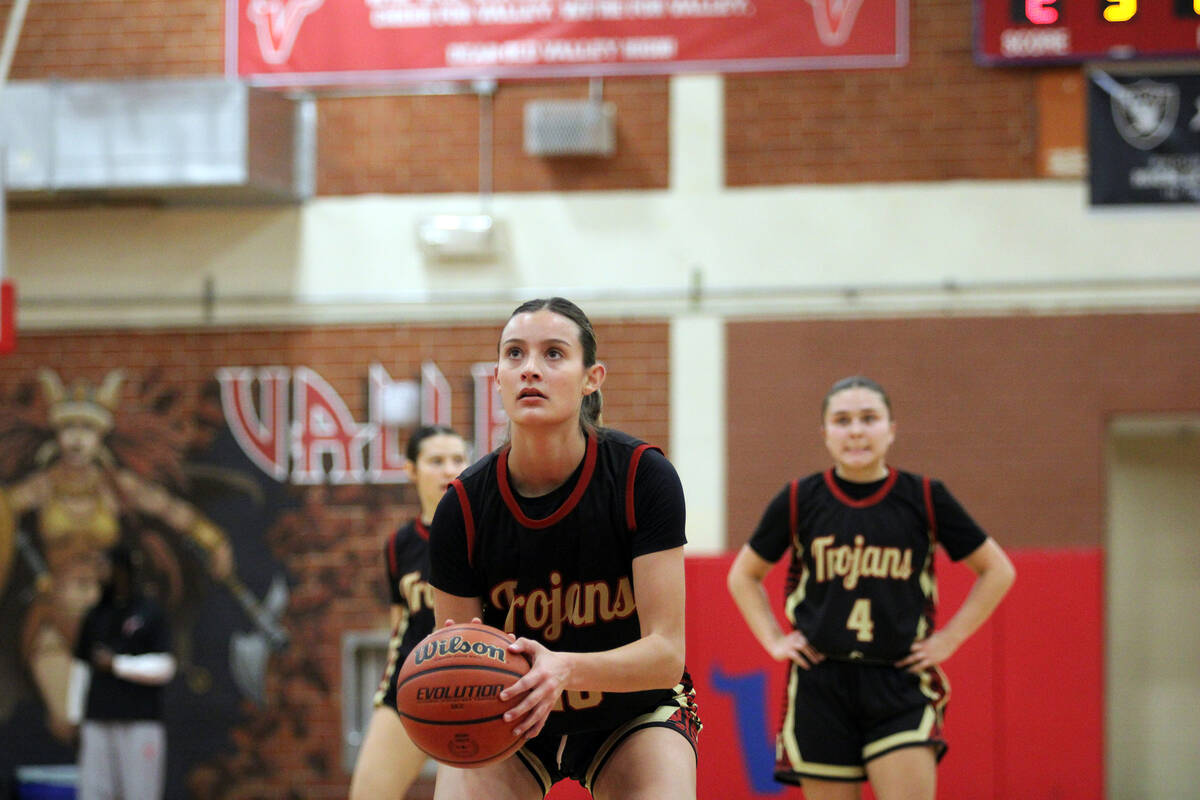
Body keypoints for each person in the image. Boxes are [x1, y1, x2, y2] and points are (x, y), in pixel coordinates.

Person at [428, 297, 701, 800]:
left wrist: (565, 667)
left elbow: (666, 654)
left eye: (553, 354)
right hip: (511, 714)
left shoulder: (643, 476)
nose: (530, 368)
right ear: (498, 378)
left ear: (591, 377)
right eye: (515, 354)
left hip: (631, 709)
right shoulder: (462, 507)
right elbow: (455, 656)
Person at [726, 375, 1016, 800]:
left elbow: (997, 570)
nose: (856, 430)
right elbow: (743, 575)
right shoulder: (798, 499)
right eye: (842, 420)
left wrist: (950, 639)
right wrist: (772, 639)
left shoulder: (924, 497)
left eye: (869, 418)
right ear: (825, 433)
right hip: (820, 683)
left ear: (891, 429)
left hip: (898, 680)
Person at [0, 369, 233, 741]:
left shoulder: (116, 487)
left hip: (110, 614)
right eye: (69, 429)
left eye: (87, 430)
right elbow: (6, 508)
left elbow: (171, 510)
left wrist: (212, 539)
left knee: (113, 715)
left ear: (100, 436)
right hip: (54, 608)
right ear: (57, 435)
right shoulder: (41, 488)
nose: (77, 440)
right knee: (67, 721)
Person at [348, 424, 469, 800]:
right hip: (411, 686)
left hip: (474, 687)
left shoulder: (485, 531)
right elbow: (399, 629)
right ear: (412, 471)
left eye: (458, 459)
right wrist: (391, 689)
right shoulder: (400, 544)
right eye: (436, 461)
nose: (449, 469)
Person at [67, 544, 177, 800]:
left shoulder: (149, 612)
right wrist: (75, 716)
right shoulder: (95, 615)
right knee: (94, 791)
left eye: (104, 566)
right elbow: (82, 665)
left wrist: (118, 665)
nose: (98, 573)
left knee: (139, 792)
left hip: (139, 721)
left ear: (121, 570)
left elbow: (164, 667)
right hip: (97, 719)